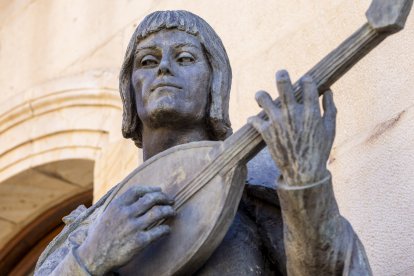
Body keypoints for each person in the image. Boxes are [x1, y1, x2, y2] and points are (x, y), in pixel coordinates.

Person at [35, 10, 372, 275]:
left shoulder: (257, 181)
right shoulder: (88, 228)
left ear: (215, 84)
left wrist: (306, 184)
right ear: (130, 89)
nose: (164, 68)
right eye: (147, 61)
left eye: (184, 58)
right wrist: (90, 259)